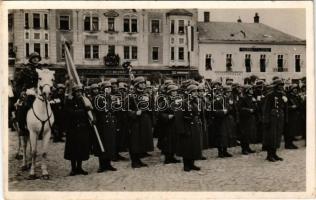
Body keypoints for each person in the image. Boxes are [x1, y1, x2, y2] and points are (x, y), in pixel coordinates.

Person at [64, 84, 92, 175]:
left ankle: (79, 167)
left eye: (80, 91)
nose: (79, 93)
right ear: (74, 93)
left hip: (83, 128)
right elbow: (70, 113)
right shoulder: (70, 101)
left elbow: (89, 112)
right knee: (73, 149)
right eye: (77, 92)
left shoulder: (84, 101)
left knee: (81, 148)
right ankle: (73, 168)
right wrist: (83, 110)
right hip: (73, 129)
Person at [127, 76, 154, 168]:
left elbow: (150, 106)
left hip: (144, 120)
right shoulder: (131, 96)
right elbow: (125, 110)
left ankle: (139, 160)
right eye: (141, 83)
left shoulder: (146, 95)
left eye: (144, 83)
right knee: (135, 142)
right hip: (135, 122)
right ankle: (134, 162)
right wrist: (134, 113)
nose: (143, 84)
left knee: (142, 141)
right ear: (137, 84)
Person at [91, 81, 117, 172]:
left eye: (110, 88)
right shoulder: (98, 98)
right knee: (102, 145)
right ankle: (102, 165)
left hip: (110, 123)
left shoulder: (111, 98)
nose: (108, 89)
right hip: (102, 124)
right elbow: (95, 110)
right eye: (107, 88)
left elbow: (114, 110)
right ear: (102, 89)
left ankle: (108, 164)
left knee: (110, 144)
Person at [177, 84, 202, 172]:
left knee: (194, 145)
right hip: (187, 126)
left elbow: (197, 113)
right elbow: (179, 118)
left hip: (194, 126)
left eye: (196, 91)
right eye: (193, 92)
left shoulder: (195, 102)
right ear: (189, 93)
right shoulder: (183, 103)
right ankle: (186, 165)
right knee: (187, 146)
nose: (195, 93)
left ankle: (192, 163)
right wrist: (182, 130)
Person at [262, 78, 287, 162]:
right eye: (279, 85)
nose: (281, 87)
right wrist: (266, 120)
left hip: (279, 117)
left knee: (277, 136)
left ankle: (275, 154)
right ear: (276, 86)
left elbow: (283, 107)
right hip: (272, 118)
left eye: (282, 85)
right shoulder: (270, 95)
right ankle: (269, 155)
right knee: (271, 137)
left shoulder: (282, 94)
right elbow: (266, 108)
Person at [158, 84, 181, 164]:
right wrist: (167, 116)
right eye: (173, 91)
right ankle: (167, 158)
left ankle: (172, 156)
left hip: (175, 123)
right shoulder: (165, 101)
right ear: (169, 92)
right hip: (167, 124)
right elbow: (160, 113)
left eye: (175, 91)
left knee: (174, 140)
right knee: (168, 141)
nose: (175, 93)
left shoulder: (177, 100)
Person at [239, 85, 257, 154]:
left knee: (249, 133)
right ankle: (244, 148)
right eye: (250, 89)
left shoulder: (252, 98)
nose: (252, 90)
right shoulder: (243, 98)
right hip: (245, 119)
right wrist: (249, 110)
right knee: (244, 134)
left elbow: (255, 107)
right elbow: (240, 108)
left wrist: (255, 103)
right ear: (247, 90)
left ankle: (248, 147)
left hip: (251, 118)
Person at [284, 84, 300, 149]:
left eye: (296, 89)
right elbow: (284, 107)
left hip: (294, 115)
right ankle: (287, 144)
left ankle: (291, 143)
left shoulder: (296, 96)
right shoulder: (288, 96)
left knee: (293, 130)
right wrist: (291, 107)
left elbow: (298, 104)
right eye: (294, 89)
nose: (295, 90)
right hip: (289, 115)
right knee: (288, 130)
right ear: (291, 89)